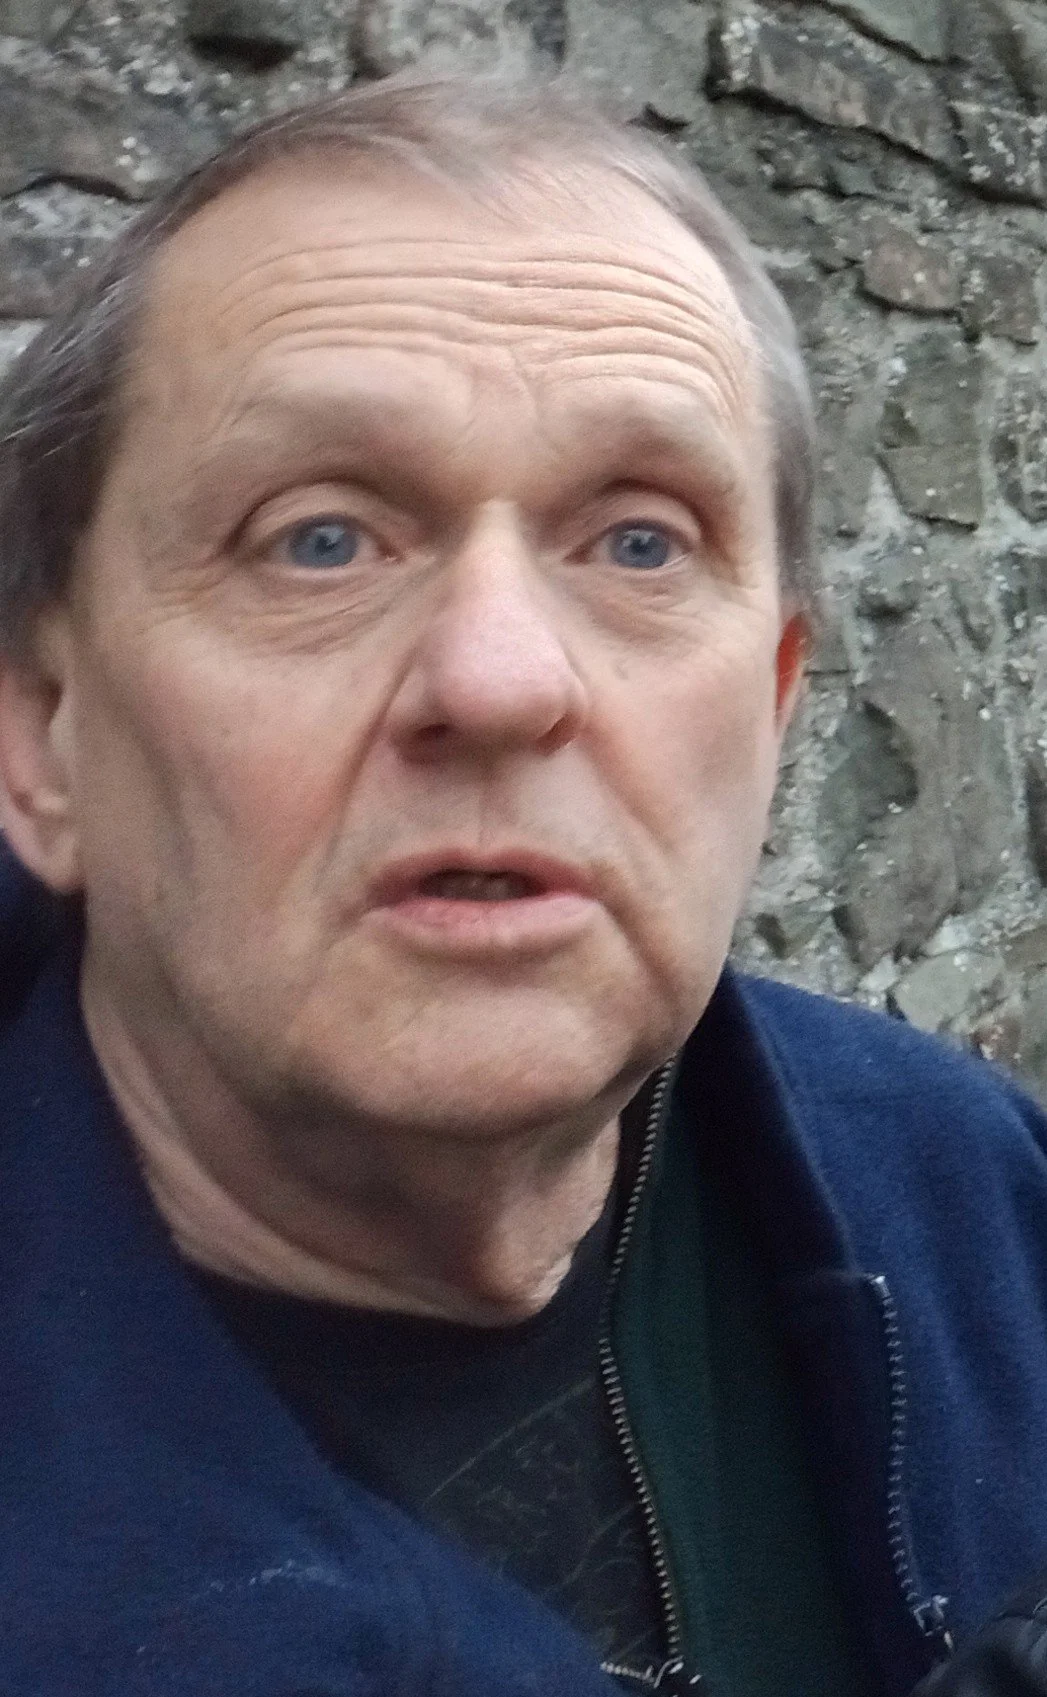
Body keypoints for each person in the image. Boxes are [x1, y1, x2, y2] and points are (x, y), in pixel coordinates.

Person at [2, 72, 1047, 1697]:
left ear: (771, 711)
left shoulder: (969, 1191)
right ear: (44, 737)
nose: (496, 682)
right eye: (319, 539)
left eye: (638, 543)